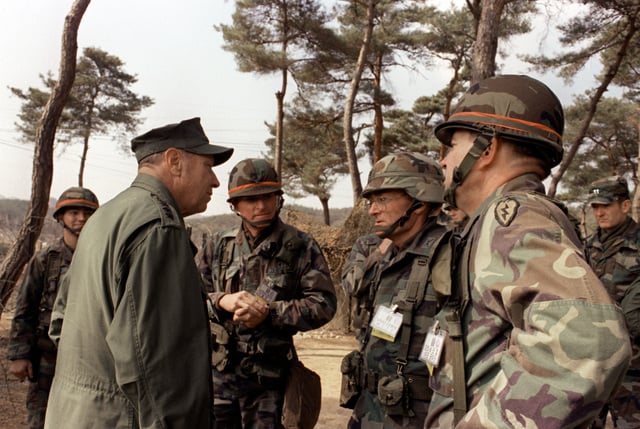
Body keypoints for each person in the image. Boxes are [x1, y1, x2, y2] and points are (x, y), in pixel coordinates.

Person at [425, 75, 631, 428]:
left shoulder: (513, 217)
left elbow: (589, 343)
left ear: (486, 150)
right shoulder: (500, 219)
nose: (443, 162)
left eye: (453, 147)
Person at [43, 117, 233, 428]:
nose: (214, 181)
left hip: (75, 414)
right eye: (208, 166)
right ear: (174, 161)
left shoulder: (105, 217)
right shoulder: (159, 225)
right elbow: (156, 367)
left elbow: (60, 323)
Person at [197, 158, 337, 428]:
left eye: (267, 197)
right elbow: (189, 299)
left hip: (270, 382)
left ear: (278, 198)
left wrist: (270, 314)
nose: (260, 206)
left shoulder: (301, 246)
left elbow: (324, 304)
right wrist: (222, 300)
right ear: (235, 205)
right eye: (251, 199)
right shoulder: (216, 246)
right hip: (218, 380)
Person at [343, 152, 447, 428]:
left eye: (383, 200)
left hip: (419, 413)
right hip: (372, 404)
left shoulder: (449, 252)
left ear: (419, 202)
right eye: (372, 201)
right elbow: (352, 284)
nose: (372, 210)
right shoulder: (383, 250)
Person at [7, 187, 98, 429]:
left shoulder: (102, 258)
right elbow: (25, 307)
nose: (81, 218)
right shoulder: (46, 259)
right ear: (60, 218)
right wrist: (20, 354)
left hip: (90, 358)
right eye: (74, 212)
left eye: (87, 213)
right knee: (42, 418)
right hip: (48, 357)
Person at [585, 176, 640, 429]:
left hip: (632, 366)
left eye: (605, 205)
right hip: (592, 363)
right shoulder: (586, 247)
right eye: (595, 207)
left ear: (625, 206)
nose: (599, 212)